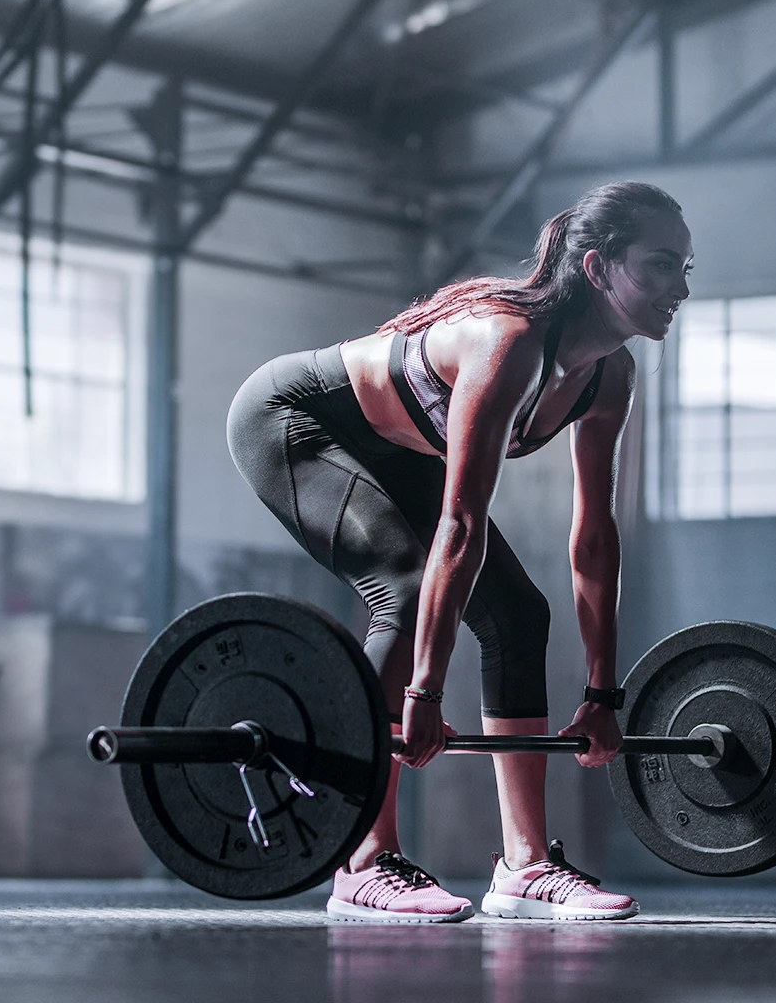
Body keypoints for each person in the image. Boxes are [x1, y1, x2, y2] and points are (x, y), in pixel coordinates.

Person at [226, 180, 691, 923]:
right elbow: (463, 524)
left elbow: (595, 537)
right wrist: (424, 694)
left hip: (399, 450)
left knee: (520, 615)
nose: (680, 290)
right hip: (295, 421)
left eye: (684, 269)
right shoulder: (510, 343)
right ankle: (362, 861)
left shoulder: (610, 377)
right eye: (661, 265)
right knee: (404, 588)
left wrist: (603, 696)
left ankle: (525, 867)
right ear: (599, 267)